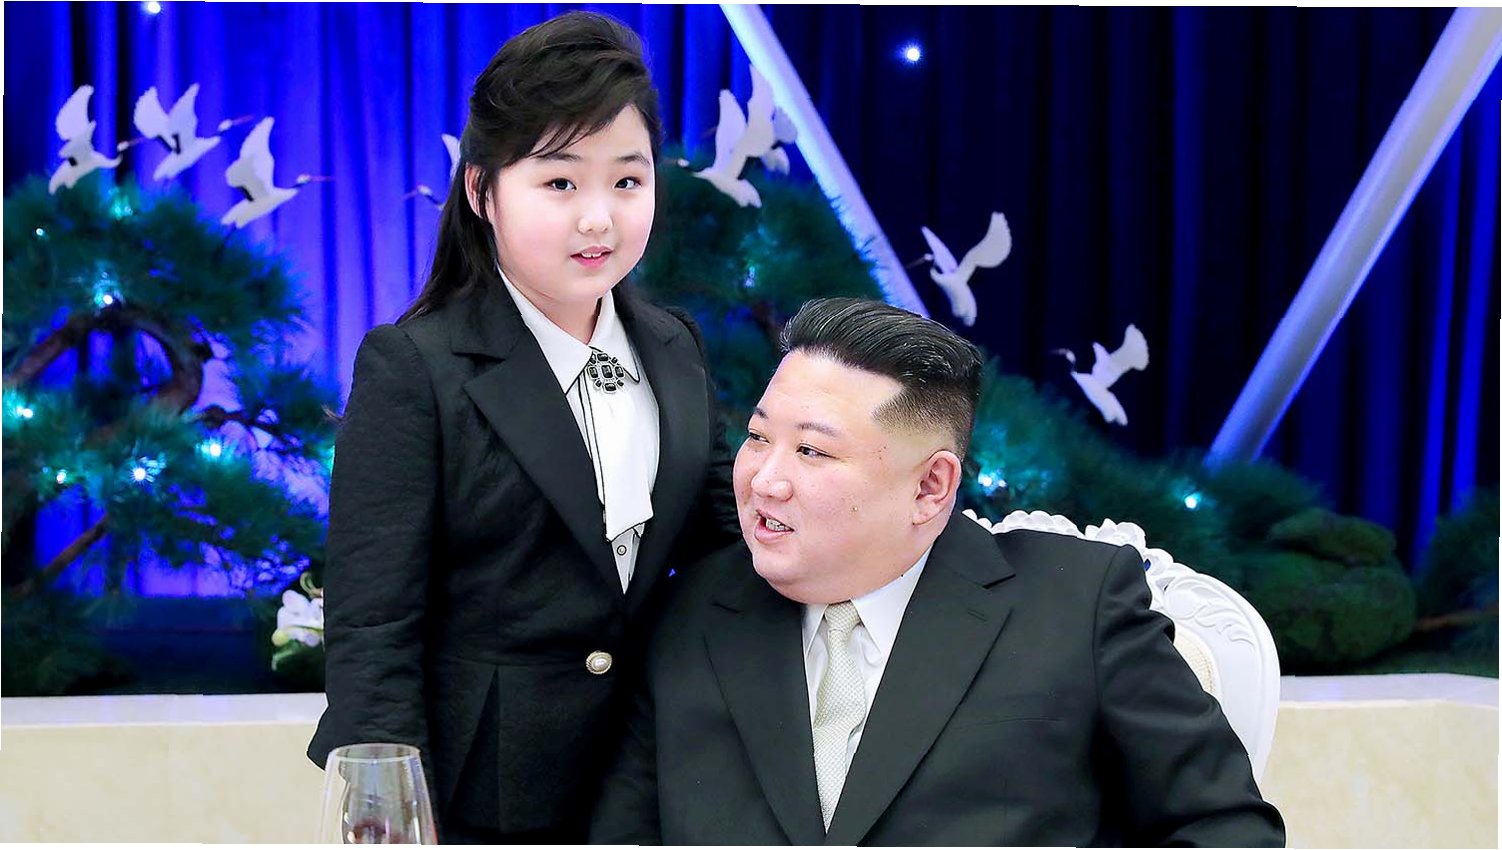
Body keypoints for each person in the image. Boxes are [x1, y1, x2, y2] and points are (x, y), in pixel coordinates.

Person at [589, 297, 1286, 846]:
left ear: (930, 487)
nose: (764, 480)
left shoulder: (1077, 604)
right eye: (758, 437)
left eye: (812, 452)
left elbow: (1225, 830)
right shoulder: (695, 610)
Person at [306, 11, 738, 843]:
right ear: (482, 191)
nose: (599, 219)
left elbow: (722, 544)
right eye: (560, 183)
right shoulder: (414, 366)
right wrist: (386, 809)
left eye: (628, 181)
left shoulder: (674, 344)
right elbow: (372, 624)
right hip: (486, 791)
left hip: (654, 774)